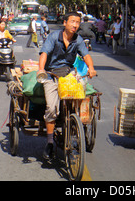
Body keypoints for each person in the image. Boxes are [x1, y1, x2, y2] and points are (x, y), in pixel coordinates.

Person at [37, 11, 97, 160]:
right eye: (72, 22)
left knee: (81, 96)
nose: (75, 25)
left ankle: (75, 124)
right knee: (51, 108)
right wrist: (41, 69)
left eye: (77, 22)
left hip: (69, 74)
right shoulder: (53, 37)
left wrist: (91, 68)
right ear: (65, 23)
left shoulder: (78, 40)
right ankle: (50, 143)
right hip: (52, 75)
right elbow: (44, 53)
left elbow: (86, 55)